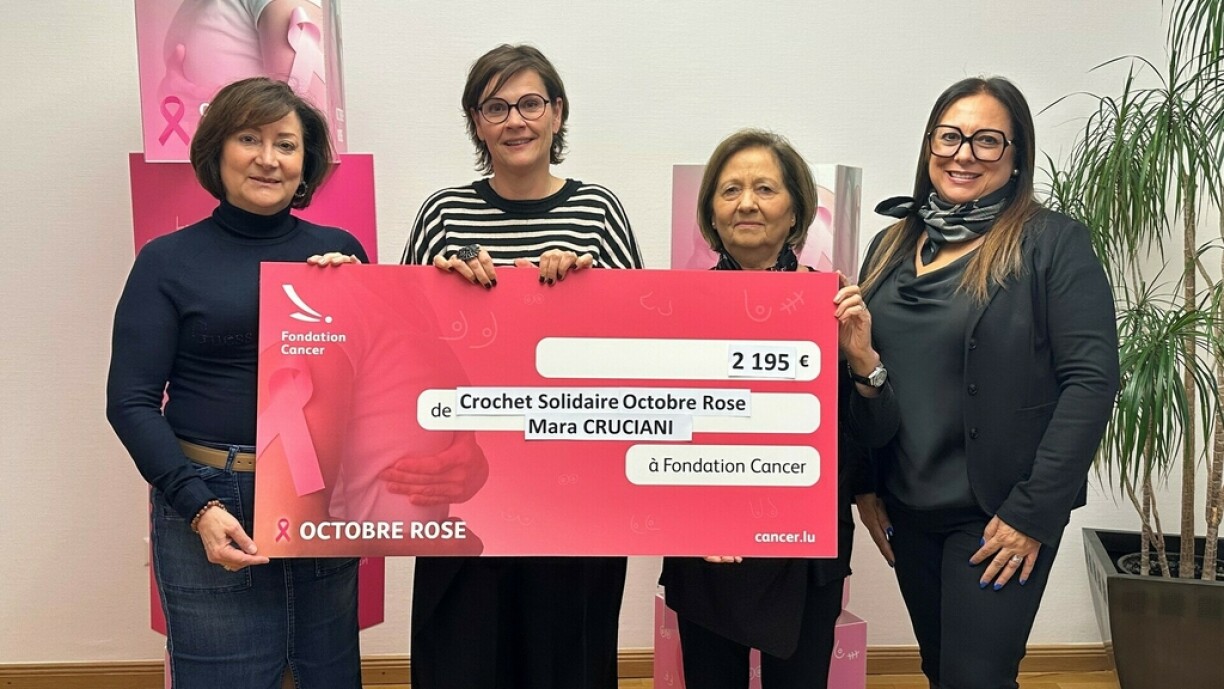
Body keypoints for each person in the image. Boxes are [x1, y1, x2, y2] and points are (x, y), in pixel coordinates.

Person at [853, 77, 1119, 689]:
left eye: (987, 140)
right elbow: (865, 369)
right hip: (907, 504)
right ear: (929, 145)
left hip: (1000, 511)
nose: (964, 154)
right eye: (950, 136)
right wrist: (866, 482)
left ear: (1016, 155)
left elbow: (1091, 379)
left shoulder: (1051, 243)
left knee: (977, 678)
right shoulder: (890, 245)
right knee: (940, 668)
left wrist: (1033, 511)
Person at [107, 77, 365, 689]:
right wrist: (197, 506)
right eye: (250, 139)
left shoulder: (339, 254)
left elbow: (378, 390)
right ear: (217, 149)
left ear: (305, 162)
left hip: (319, 493)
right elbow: (130, 402)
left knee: (327, 674)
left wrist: (360, 301)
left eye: (286, 144)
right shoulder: (167, 260)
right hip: (210, 495)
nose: (268, 159)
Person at [399, 44, 644, 689]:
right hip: (464, 493)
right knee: (461, 665)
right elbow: (397, 343)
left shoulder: (599, 212)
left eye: (531, 104)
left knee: (569, 665)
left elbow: (640, 349)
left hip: (575, 495)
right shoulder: (442, 215)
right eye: (496, 107)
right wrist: (437, 286)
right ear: (476, 123)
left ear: (557, 114)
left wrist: (589, 291)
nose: (515, 120)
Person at [658, 129, 899, 689]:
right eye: (730, 190)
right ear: (711, 213)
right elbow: (659, 433)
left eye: (765, 188)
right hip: (706, 546)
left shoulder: (837, 306)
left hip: (804, 553)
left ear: (796, 211)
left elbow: (875, 435)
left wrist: (862, 358)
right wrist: (694, 520)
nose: (746, 203)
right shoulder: (674, 310)